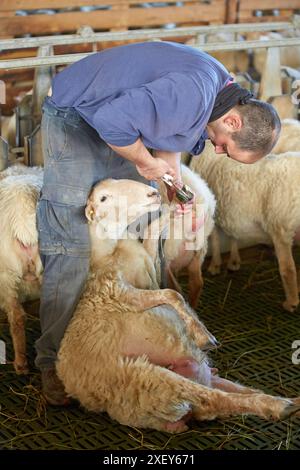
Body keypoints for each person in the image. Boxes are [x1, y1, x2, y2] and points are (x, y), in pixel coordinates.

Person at [35, 41, 281, 405]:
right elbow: (111, 122)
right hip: (78, 117)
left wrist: (174, 183)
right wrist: (146, 163)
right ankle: (53, 364)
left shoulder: (216, 94)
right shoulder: (195, 91)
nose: (217, 151)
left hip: (116, 121)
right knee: (70, 240)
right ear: (233, 121)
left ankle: (134, 339)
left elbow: (170, 133)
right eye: (226, 146)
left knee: (140, 228)